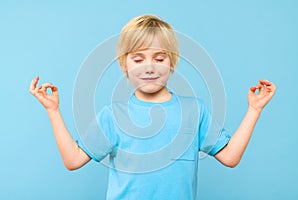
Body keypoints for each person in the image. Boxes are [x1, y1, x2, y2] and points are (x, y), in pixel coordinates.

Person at [29, 14, 276, 199]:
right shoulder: (113, 116)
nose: (149, 67)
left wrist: (254, 110)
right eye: (138, 59)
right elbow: (73, 160)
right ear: (124, 65)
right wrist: (53, 111)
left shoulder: (194, 111)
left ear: (172, 63)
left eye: (159, 58)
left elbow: (231, 157)